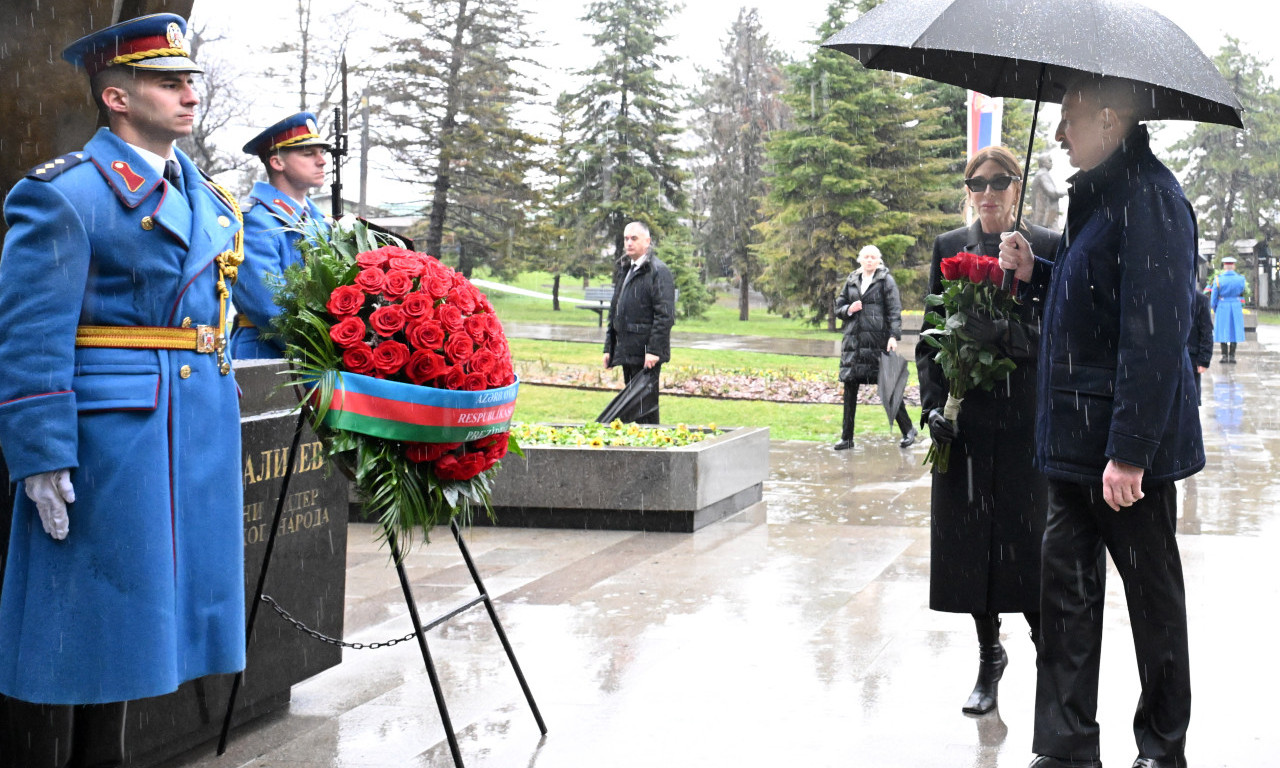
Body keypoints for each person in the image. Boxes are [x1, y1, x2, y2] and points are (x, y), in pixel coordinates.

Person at [0, 14, 246, 767]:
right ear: (116, 97)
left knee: (158, 616)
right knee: (104, 612)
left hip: (193, 422)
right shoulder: (66, 195)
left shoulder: (206, 195)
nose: (189, 94)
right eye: (167, 83)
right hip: (115, 432)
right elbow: (31, 334)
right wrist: (40, 452)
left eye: (189, 81)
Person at [1000, 74, 1204, 768]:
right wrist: (1038, 271)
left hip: (1122, 455)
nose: (1059, 133)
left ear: (1112, 118)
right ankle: (1065, 748)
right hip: (1072, 445)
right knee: (1066, 603)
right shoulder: (1096, 196)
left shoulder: (1154, 199)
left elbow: (1155, 336)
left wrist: (1131, 450)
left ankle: (1162, 750)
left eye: (1071, 118)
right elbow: (1094, 298)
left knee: (1152, 604)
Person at [917, 145, 1061, 715]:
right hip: (969, 423)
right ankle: (988, 656)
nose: (988, 193)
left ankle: (1049, 653)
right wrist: (935, 407)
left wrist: (1005, 336)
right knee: (973, 545)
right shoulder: (950, 247)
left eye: (1000, 182)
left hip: (1026, 423)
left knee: (1029, 543)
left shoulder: (1045, 248)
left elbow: (1061, 335)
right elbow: (931, 337)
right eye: (977, 183)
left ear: (1017, 188)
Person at [231, 112, 331, 359]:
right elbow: (270, 308)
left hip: (312, 355)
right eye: (308, 154)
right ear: (277, 162)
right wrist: (332, 347)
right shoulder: (256, 221)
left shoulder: (318, 220)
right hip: (265, 355)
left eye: (321, 152)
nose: (322, 161)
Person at [833, 245, 918, 450]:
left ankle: (908, 430)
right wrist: (849, 309)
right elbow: (839, 307)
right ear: (860, 259)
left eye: (873, 257)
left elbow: (894, 310)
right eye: (866, 257)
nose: (869, 260)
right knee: (850, 389)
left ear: (878, 260)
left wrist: (893, 336)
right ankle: (847, 438)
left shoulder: (886, 280)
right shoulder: (852, 280)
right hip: (854, 344)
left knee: (888, 387)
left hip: (877, 343)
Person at [603, 221, 675, 424]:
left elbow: (665, 316)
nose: (629, 243)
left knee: (645, 410)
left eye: (634, 238)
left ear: (647, 241)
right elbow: (615, 311)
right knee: (631, 409)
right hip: (627, 350)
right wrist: (609, 347)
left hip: (645, 354)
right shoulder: (626, 268)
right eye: (626, 238)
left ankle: (651, 443)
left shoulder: (658, 271)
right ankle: (635, 441)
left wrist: (653, 350)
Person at [1209, 255, 1247, 363]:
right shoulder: (1240, 279)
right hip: (1235, 305)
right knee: (1235, 330)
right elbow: (1242, 292)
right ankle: (1232, 355)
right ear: (1234, 266)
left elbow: (1214, 297)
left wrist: (1215, 308)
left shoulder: (1218, 279)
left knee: (1223, 330)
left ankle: (1224, 355)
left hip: (1223, 306)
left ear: (1224, 266)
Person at [1028, 152, 1067, 230]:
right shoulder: (1042, 174)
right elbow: (1052, 192)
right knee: (1053, 234)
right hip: (1045, 217)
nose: (1052, 163)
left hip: (1044, 216)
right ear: (1043, 163)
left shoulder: (1041, 174)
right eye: (1049, 160)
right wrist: (1066, 192)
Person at [1189, 288, 1214, 403]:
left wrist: (1204, 359)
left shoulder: (1200, 299)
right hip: (1169, 356)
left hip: (1191, 356)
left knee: (1191, 398)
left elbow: (1206, 331)